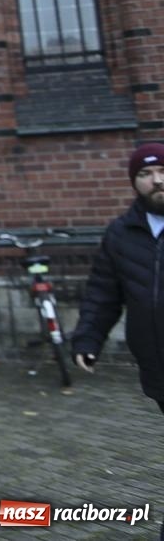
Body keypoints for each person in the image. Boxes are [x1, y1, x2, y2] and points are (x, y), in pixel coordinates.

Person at [70, 141, 164, 413]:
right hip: (156, 365)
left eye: (162, 170)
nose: (156, 180)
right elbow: (102, 294)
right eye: (145, 174)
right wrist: (88, 339)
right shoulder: (120, 233)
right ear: (134, 182)